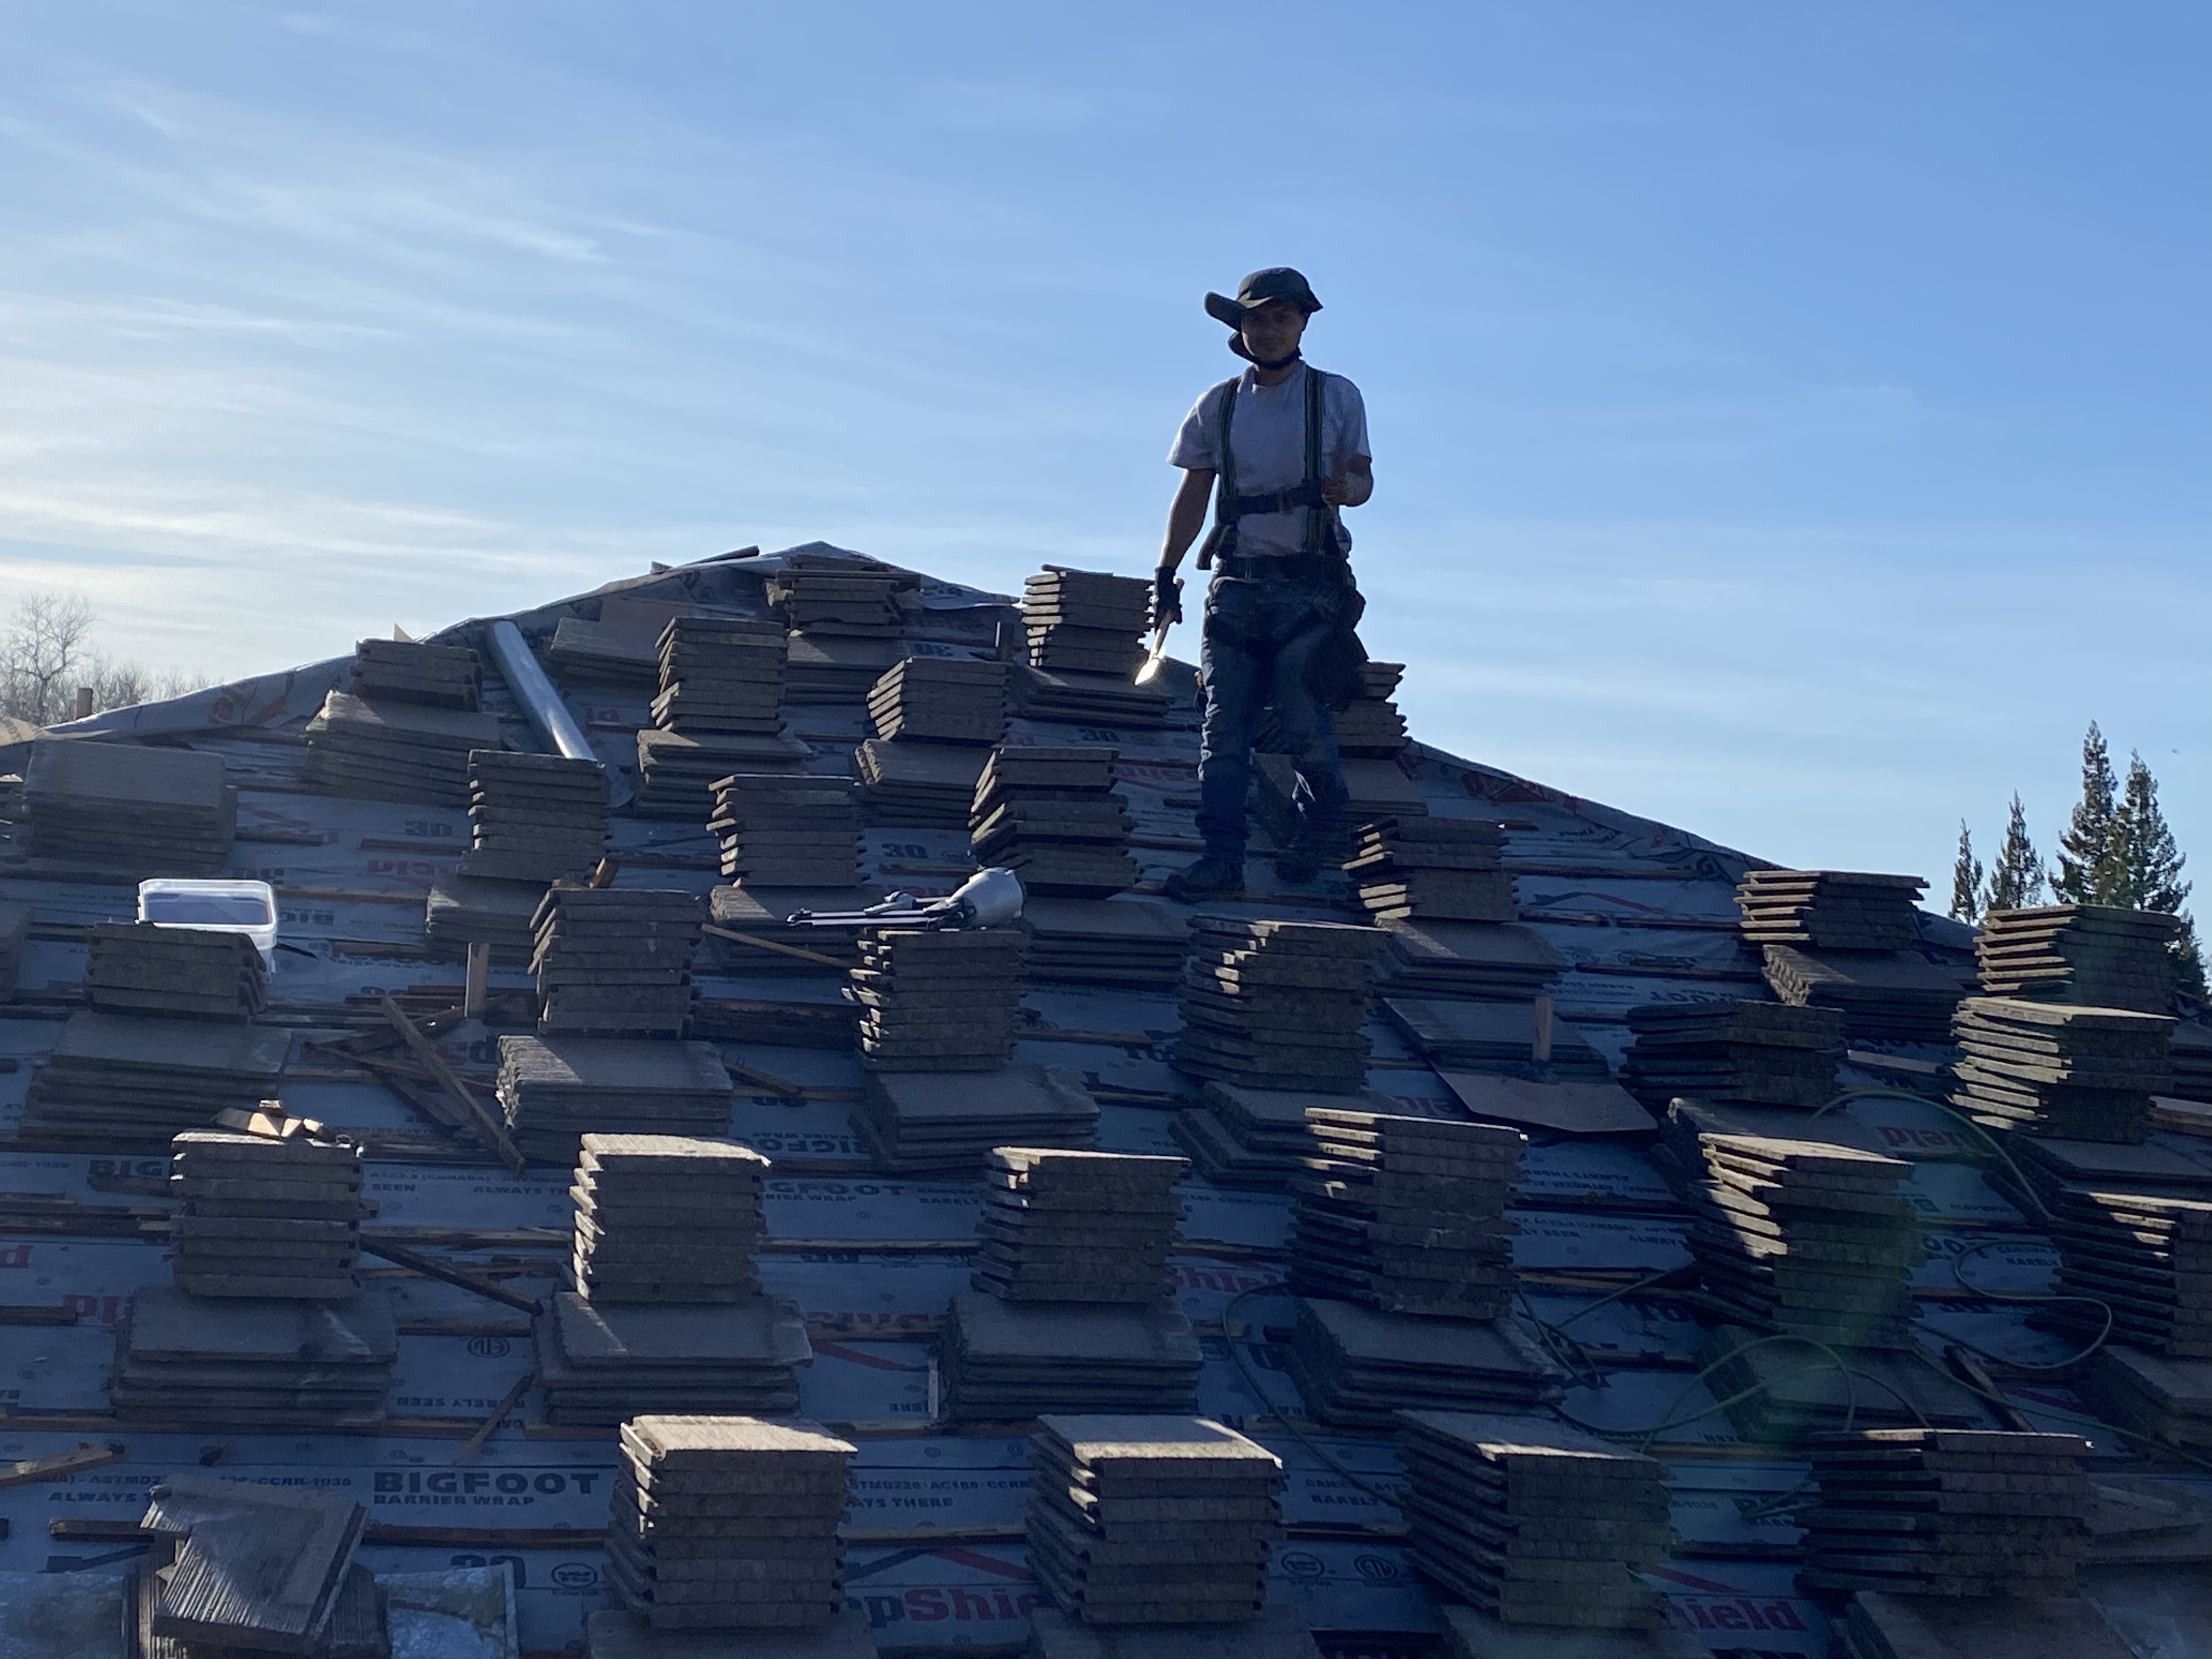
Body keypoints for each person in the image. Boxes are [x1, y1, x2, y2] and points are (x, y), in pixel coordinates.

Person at [1153, 267, 1374, 902]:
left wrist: (1346, 492)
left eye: (1283, 317)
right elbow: (1193, 494)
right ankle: (1221, 857)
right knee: (1224, 729)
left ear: (1304, 324)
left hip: (1310, 588)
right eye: (1258, 318)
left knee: (1303, 717)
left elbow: (1361, 477)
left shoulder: (1334, 396)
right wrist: (1167, 572)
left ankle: (1320, 826)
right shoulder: (1217, 405)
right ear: (1239, 328)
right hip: (1238, 586)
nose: (1270, 329)